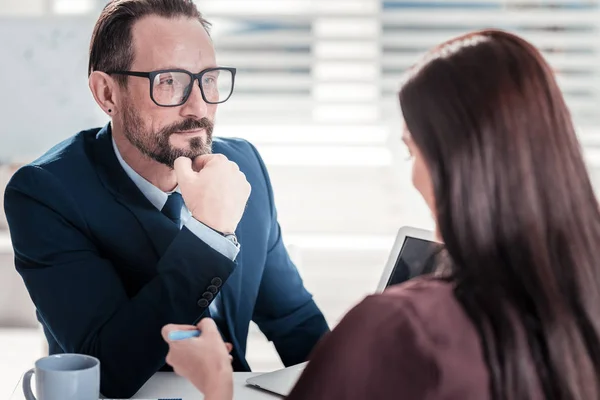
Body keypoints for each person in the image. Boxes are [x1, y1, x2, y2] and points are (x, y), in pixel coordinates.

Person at [162, 29, 600, 400]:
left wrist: (216, 385)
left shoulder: (397, 327)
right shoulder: (580, 292)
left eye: (412, 151)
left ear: (456, 166)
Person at [3, 0, 329, 397]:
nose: (198, 107)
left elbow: (294, 320)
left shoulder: (242, 166)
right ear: (107, 93)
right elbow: (110, 372)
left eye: (208, 79)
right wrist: (210, 234)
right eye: (169, 81)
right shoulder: (44, 194)